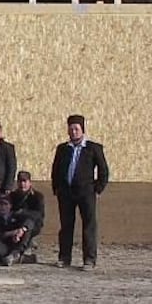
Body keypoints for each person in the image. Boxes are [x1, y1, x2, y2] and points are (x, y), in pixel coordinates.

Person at [51, 114, 110, 270]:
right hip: (66, 193)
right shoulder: (63, 149)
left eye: (76, 129)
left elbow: (103, 171)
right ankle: (64, 258)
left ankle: (89, 260)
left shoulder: (93, 148)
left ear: (82, 130)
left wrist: (97, 189)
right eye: (71, 129)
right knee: (66, 226)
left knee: (89, 226)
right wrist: (56, 188)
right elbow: (55, 169)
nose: (73, 132)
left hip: (86, 193)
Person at [0, 195, 37, 266]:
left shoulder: (17, 216)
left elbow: (30, 221)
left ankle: (15, 255)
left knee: (27, 231)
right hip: (3, 246)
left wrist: (21, 231)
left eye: (5, 204)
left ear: (10, 206)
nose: (3, 207)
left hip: (16, 244)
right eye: (0, 204)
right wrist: (9, 233)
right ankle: (18, 258)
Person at [10, 171, 45, 240]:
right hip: (16, 222)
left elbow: (39, 214)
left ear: (30, 182)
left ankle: (20, 249)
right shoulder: (13, 195)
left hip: (33, 223)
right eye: (20, 182)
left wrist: (23, 212)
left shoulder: (37, 196)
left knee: (28, 224)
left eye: (25, 181)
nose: (22, 184)